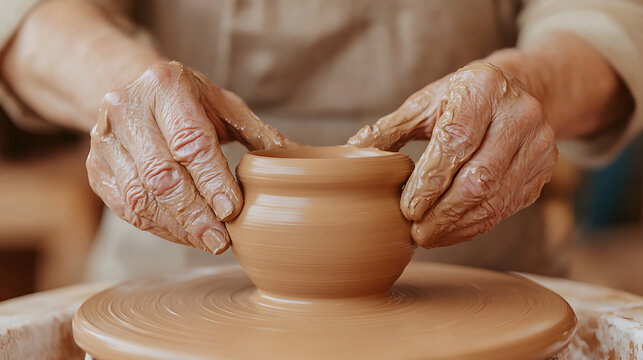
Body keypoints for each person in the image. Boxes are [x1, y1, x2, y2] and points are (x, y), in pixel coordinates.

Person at [0, 0, 641, 281]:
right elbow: (29, 14)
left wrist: (536, 82)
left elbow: (607, 13)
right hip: (180, 277)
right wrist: (123, 82)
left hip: (471, 277)